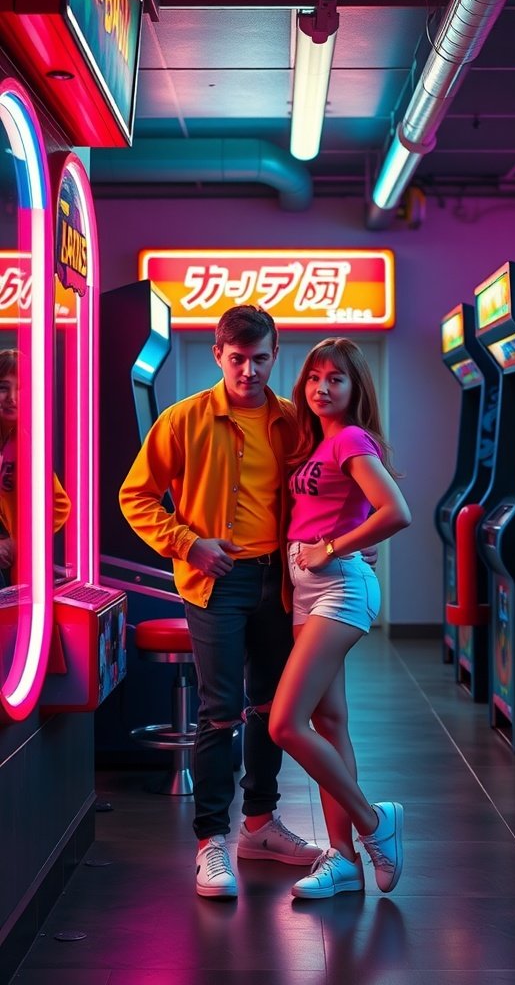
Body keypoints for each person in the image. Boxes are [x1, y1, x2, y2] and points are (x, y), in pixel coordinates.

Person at [119, 305, 326, 900]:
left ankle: (259, 825)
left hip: (282, 579)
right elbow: (135, 496)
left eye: (260, 358)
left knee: (271, 706)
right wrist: (188, 542)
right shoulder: (183, 420)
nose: (249, 371)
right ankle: (211, 841)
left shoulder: (295, 421)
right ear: (218, 355)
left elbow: (325, 491)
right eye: (237, 359)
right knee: (220, 710)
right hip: (216, 580)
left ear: (275, 354)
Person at [268, 337, 412, 900]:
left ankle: (374, 822)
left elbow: (396, 511)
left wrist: (333, 546)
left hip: (339, 586)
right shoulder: (314, 441)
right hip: (306, 587)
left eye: (335, 379)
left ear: (355, 388)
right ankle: (344, 859)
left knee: (285, 723)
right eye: (314, 378)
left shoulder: (350, 438)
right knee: (328, 721)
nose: (322, 388)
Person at [0, 348, 70, 582]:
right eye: (3, 388)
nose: (11, 398)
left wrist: (19, 543)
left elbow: (59, 505)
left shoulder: (26, 443)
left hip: (14, 574)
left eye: (20, 389)